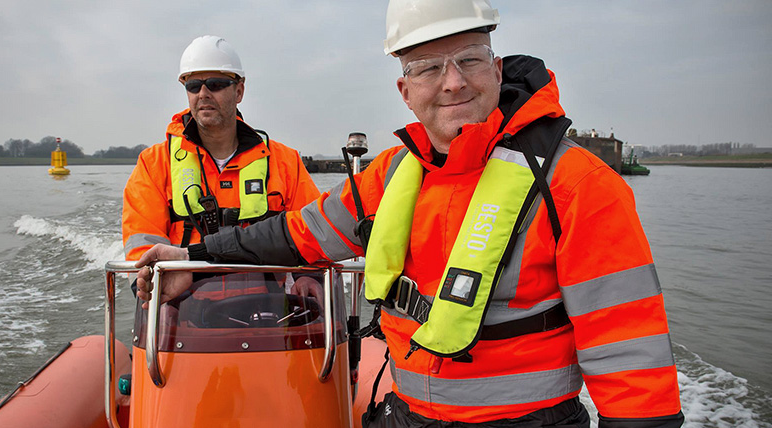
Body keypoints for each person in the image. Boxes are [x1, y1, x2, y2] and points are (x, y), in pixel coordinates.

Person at [134, 2, 685, 427]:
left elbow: (629, 353)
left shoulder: (579, 184)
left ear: (495, 68)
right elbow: (298, 234)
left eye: (469, 59)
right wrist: (193, 255)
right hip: (409, 413)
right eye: (427, 68)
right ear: (404, 89)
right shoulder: (392, 173)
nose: (452, 82)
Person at [124, 35, 321, 300]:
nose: (203, 93)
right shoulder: (154, 164)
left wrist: (308, 276)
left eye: (215, 84)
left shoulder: (285, 163)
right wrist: (149, 282)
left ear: (239, 91)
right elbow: (142, 246)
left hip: (271, 320)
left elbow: (312, 233)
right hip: (179, 319)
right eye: (193, 86)